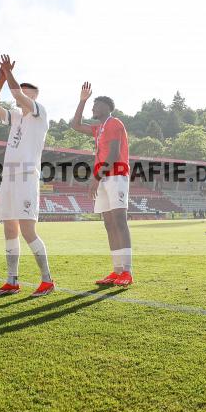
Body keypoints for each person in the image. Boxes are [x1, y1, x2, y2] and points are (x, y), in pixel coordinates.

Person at [0, 54, 55, 297]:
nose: (20, 94)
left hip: (26, 176)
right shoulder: (15, 116)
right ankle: (12, 281)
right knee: (9, 230)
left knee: (27, 231)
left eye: (26, 91)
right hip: (9, 178)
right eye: (19, 89)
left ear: (34, 96)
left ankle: (47, 280)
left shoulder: (39, 112)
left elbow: (16, 95)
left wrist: (9, 75)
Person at [70, 81, 133, 286]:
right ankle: (116, 271)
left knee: (119, 221)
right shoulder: (99, 128)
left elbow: (114, 154)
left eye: (95, 104)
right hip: (104, 177)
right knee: (108, 224)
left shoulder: (114, 123)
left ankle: (128, 272)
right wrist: (82, 100)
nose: (92, 108)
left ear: (106, 107)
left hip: (116, 175)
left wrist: (95, 178)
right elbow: (75, 125)